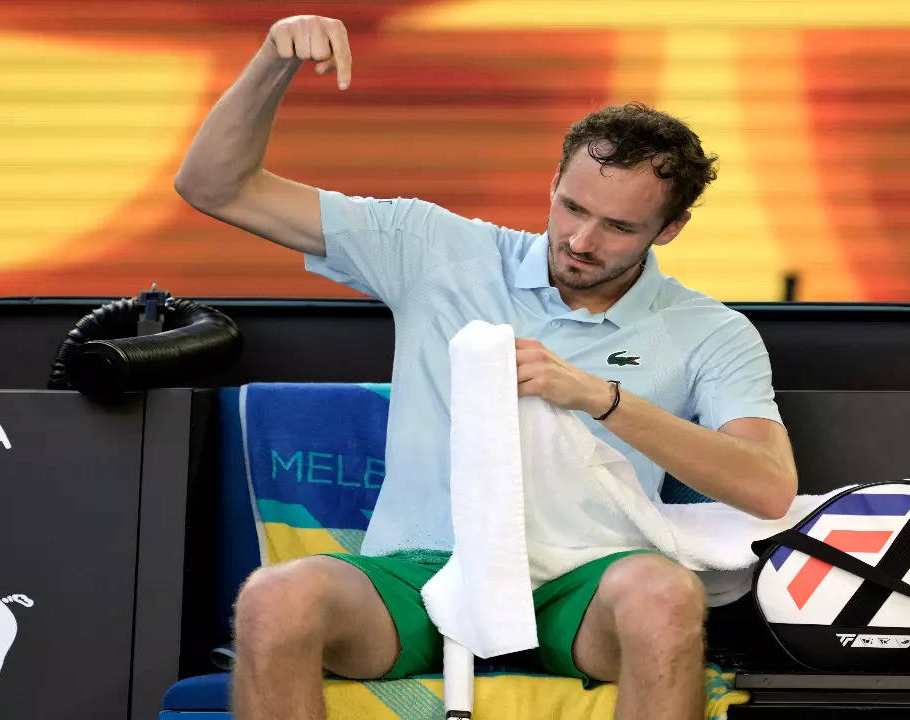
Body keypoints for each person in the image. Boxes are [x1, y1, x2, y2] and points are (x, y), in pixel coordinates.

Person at [175, 14, 798, 720]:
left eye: (619, 227)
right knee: (274, 598)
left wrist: (601, 398)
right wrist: (271, 61)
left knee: (665, 595)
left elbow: (768, 487)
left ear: (672, 229)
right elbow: (213, 187)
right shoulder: (433, 247)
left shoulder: (710, 329)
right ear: (554, 180)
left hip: (586, 583)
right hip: (417, 570)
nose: (582, 241)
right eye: (571, 207)